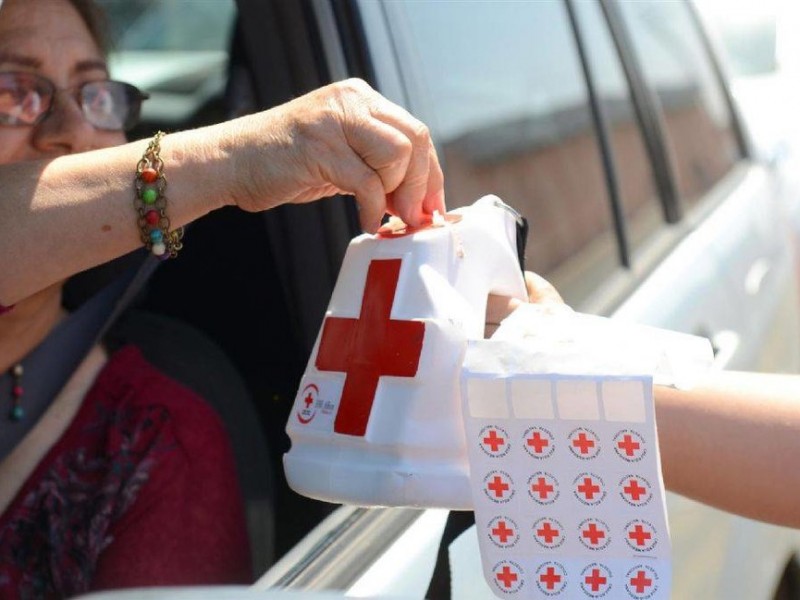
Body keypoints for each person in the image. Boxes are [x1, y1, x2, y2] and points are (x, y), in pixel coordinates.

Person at [0, 0, 447, 596]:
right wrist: (231, 159)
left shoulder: (153, 439)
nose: (73, 132)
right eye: (12, 90)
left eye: (94, 93)